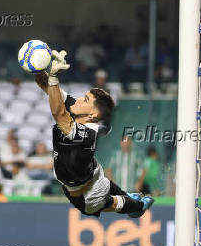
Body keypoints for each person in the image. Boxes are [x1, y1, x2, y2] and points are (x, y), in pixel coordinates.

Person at [34, 50, 154, 218]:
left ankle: (137, 206)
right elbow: (47, 86)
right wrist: (38, 66)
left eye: (86, 100)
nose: (79, 100)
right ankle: (130, 198)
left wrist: (54, 78)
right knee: (106, 183)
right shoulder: (79, 110)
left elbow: (59, 115)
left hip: (89, 195)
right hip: (88, 174)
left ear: (93, 115)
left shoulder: (88, 133)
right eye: (84, 97)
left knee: (111, 203)